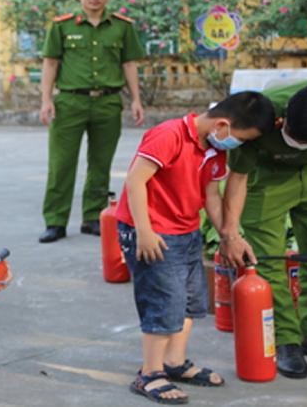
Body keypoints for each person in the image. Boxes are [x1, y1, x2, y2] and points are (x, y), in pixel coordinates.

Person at [116, 92, 275, 404]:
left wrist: (229, 235)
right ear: (223, 125)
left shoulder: (214, 149)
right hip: (154, 233)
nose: (238, 145)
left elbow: (211, 194)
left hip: (185, 230)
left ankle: (174, 363)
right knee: (163, 303)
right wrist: (144, 231)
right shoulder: (169, 135)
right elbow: (135, 181)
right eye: (240, 139)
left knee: (190, 302)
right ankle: (149, 373)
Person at [219, 78, 307, 379]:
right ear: (283, 120)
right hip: (267, 183)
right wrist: (230, 233)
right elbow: (238, 177)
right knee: (268, 262)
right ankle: (286, 340)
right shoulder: (258, 111)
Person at [38, 0, 145, 243]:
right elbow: (50, 64)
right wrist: (46, 100)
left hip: (108, 102)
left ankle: (92, 217)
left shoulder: (122, 26)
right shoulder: (62, 26)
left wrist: (136, 99)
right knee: (61, 164)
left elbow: (129, 64)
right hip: (70, 102)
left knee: (101, 163)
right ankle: (55, 221)